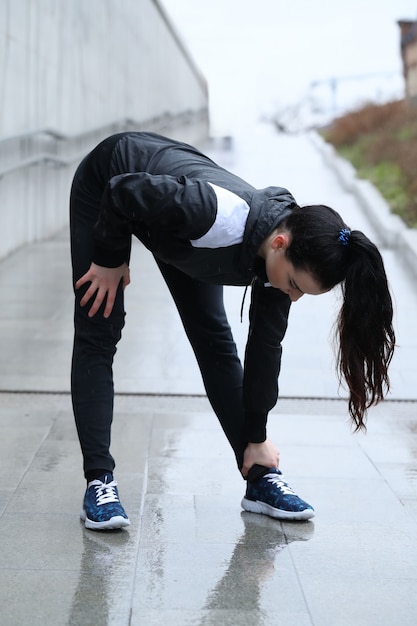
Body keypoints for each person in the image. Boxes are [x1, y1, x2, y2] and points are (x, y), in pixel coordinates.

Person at [70, 131, 395, 531]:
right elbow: (123, 191)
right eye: (294, 285)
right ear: (279, 243)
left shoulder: (284, 257)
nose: (292, 298)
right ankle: (99, 482)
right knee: (99, 328)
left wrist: (257, 434)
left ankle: (258, 479)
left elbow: (264, 349)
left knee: (215, 343)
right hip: (112, 185)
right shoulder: (213, 215)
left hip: (173, 227)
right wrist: (108, 258)